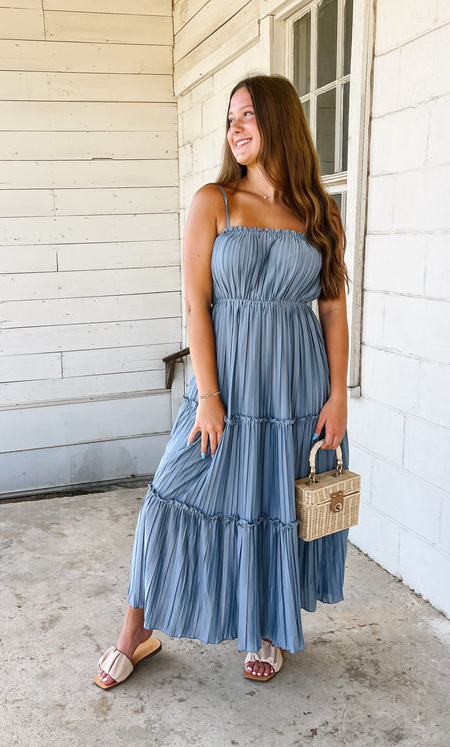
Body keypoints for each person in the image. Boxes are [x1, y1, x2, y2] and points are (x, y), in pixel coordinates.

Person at [94, 74, 350, 689]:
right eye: (231, 118)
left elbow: (334, 309)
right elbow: (196, 306)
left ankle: (266, 626)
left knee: (272, 506)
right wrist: (207, 397)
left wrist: (339, 394)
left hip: (295, 391)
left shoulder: (319, 211)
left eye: (248, 117)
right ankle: (136, 631)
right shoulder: (216, 200)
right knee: (168, 500)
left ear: (281, 122)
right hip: (224, 392)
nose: (235, 129)